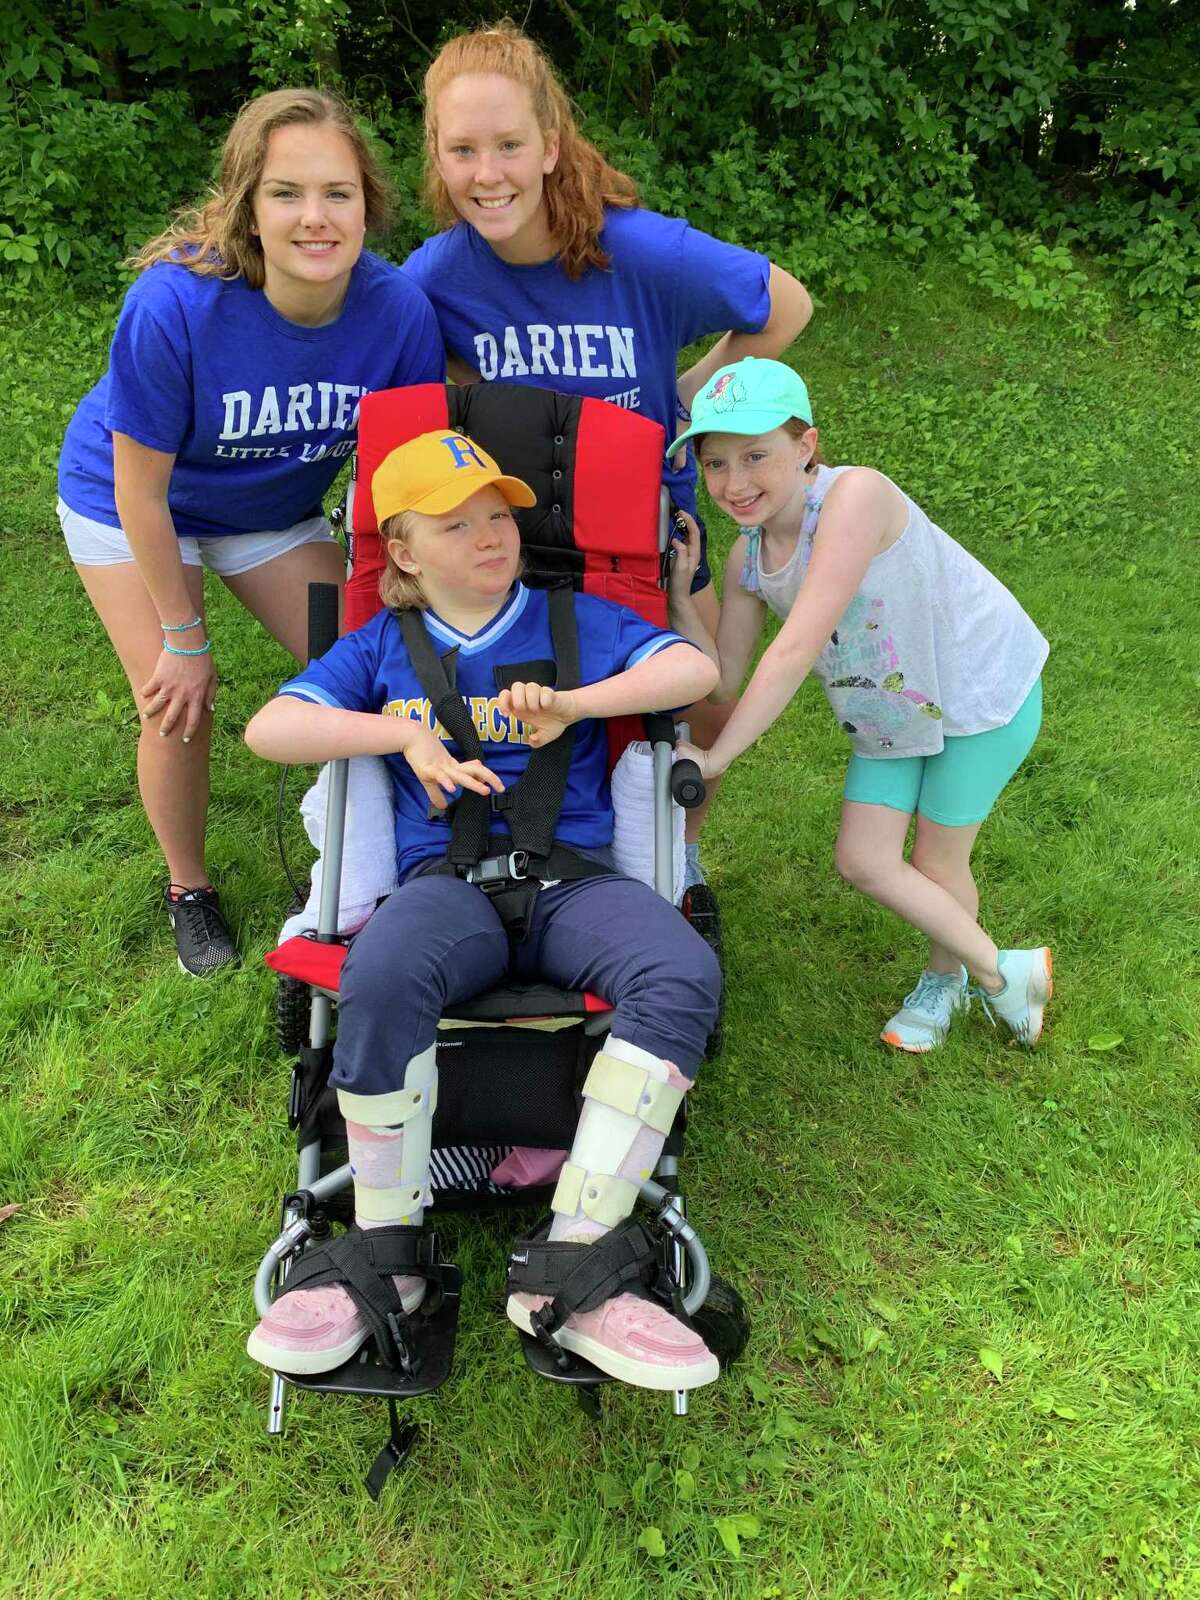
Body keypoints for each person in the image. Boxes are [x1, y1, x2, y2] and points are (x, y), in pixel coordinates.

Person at [244, 430, 722, 1390]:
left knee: (680, 968)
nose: (490, 536)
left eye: (499, 515)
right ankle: (389, 1258)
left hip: (573, 880)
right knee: (380, 970)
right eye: (456, 525)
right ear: (406, 551)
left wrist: (582, 705)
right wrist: (398, 737)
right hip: (446, 889)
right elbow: (270, 729)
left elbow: (693, 674)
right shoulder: (378, 647)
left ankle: (575, 1263)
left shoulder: (575, 619)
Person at [402, 18, 813, 888]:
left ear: (550, 146)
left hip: (645, 528)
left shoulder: (640, 250)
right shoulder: (436, 277)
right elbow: (408, 377)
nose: (487, 174)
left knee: (698, 696)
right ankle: (529, 853)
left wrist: (685, 399)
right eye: (462, 149)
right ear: (436, 158)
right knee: (533, 700)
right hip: (515, 532)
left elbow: (785, 307)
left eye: (509, 144)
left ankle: (680, 861)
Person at [57, 88, 446, 975]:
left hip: (268, 512)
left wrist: (411, 575)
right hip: (131, 505)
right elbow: (141, 493)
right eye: (286, 193)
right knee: (176, 700)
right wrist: (183, 638)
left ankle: (407, 863)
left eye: (337, 194)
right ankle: (188, 889)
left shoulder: (396, 313)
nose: (315, 218)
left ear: (368, 203)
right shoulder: (177, 306)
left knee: (390, 660)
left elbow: (408, 473)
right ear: (248, 205)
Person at [667, 358, 1052, 1053]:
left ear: (806, 446)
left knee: (937, 861)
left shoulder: (857, 498)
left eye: (756, 455)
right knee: (863, 858)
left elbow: (795, 647)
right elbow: (723, 679)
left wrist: (718, 754)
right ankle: (1004, 970)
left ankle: (946, 987)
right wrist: (677, 595)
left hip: (979, 690)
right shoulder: (747, 560)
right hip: (893, 713)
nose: (734, 482)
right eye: (715, 462)